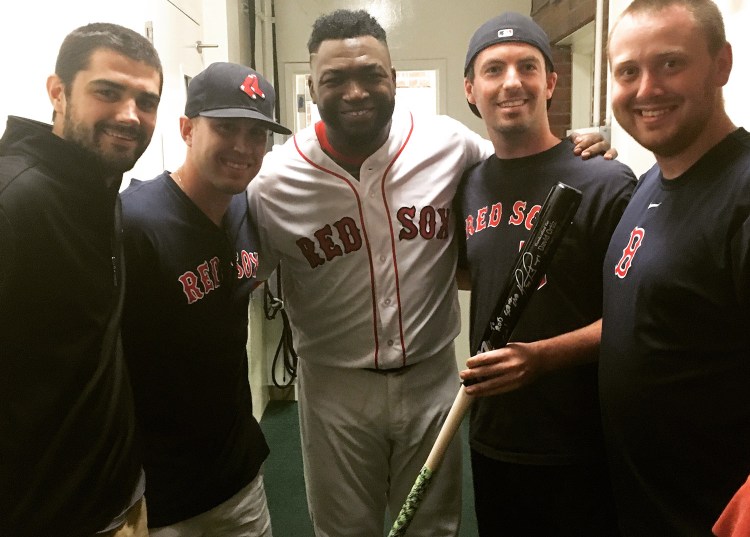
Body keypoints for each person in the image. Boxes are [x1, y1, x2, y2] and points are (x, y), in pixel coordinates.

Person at [246, 9, 613, 536]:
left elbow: (527, 163)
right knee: (344, 530)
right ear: (312, 86)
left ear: (393, 79)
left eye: (371, 74)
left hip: (434, 376)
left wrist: (586, 145)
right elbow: (242, 272)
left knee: (433, 528)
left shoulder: (447, 143)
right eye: (335, 78)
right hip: (334, 388)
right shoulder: (273, 182)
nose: (356, 91)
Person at [456, 12, 635, 536]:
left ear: (550, 82)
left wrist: (540, 357)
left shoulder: (605, 181)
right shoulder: (467, 184)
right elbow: (474, 272)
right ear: (471, 89)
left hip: (580, 441)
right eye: (493, 70)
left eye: (527, 66)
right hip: (494, 433)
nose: (511, 81)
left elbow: (634, 315)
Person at [0, 22, 162, 537]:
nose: (130, 115)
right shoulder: (14, 201)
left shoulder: (97, 189)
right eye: (108, 92)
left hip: (119, 503)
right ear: (57, 92)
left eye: (146, 100)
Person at [120, 62, 290, 535]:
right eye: (225, 128)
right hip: (159, 497)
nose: (242, 146)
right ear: (187, 130)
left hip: (237, 478)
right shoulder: (135, 224)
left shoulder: (246, 208)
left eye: (256, 133)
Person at [601, 0, 750, 534]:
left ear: (722, 65)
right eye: (628, 72)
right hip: (646, 504)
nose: (647, 89)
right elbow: (642, 321)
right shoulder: (647, 185)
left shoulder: (743, 193)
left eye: (670, 64)